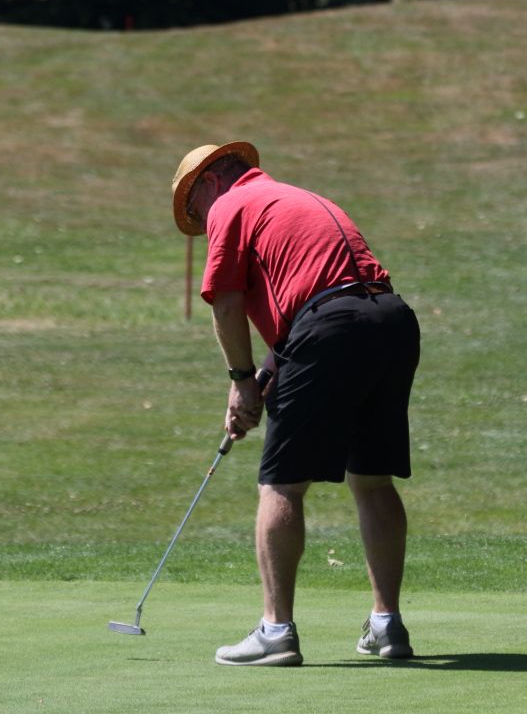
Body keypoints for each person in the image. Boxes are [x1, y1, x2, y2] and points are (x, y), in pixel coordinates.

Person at [169, 141, 421, 667]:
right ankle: (387, 625)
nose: (203, 223)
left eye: (196, 211)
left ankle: (276, 631)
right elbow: (315, 305)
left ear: (210, 182)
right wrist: (265, 374)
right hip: (390, 321)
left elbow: (227, 302)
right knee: (373, 478)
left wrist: (241, 381)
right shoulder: (295, 198)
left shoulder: (231, 204)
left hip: (332, 327)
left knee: (281, 484)